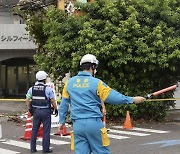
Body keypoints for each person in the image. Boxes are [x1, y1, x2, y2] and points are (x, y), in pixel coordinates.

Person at [58, 54, 146, 154]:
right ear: (93, 67)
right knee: (100, 151)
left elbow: (64, 104)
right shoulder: (96, 83)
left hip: (77, 125)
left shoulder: (69, 83)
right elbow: (113, 97)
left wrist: (61, 121)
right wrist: (132, 99)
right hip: (93, 123)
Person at [26, 71, 58, 153]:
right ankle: (45, 149)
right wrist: (56, 108)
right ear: (44, 79)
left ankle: (33, 148)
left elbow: (27, 99)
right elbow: (52, 100)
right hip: (45, 111)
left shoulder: (32, 88)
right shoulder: (47, 89)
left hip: (36, 111)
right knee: (46, 130)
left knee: (34, 130)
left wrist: (30, 108)